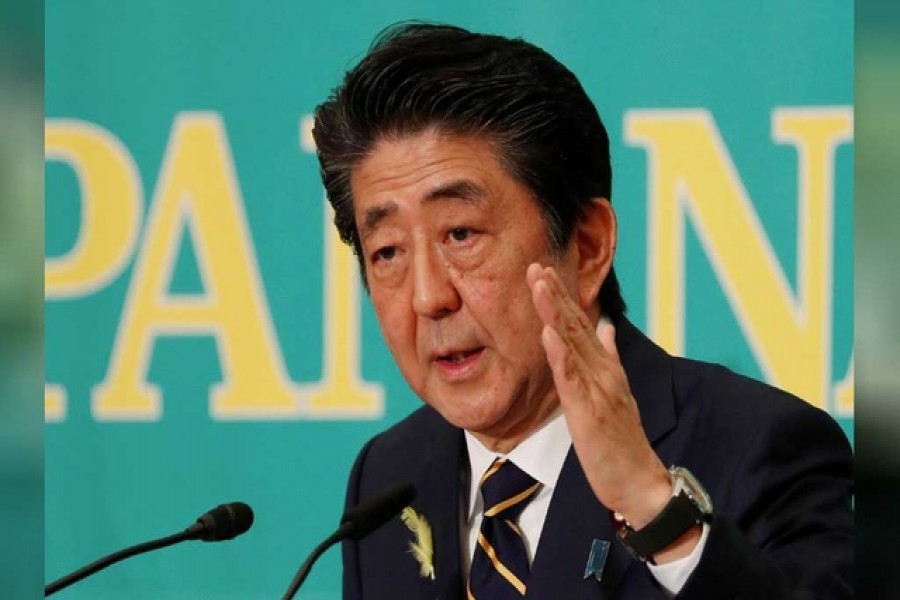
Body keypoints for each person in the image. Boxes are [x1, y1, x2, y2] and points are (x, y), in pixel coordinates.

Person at [312, 23, 853, 599]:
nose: (428, 297)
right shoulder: (391, 475)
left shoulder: (756, 447)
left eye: (461, 234)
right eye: (388, 251)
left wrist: (655, 510)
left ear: (588, 246)